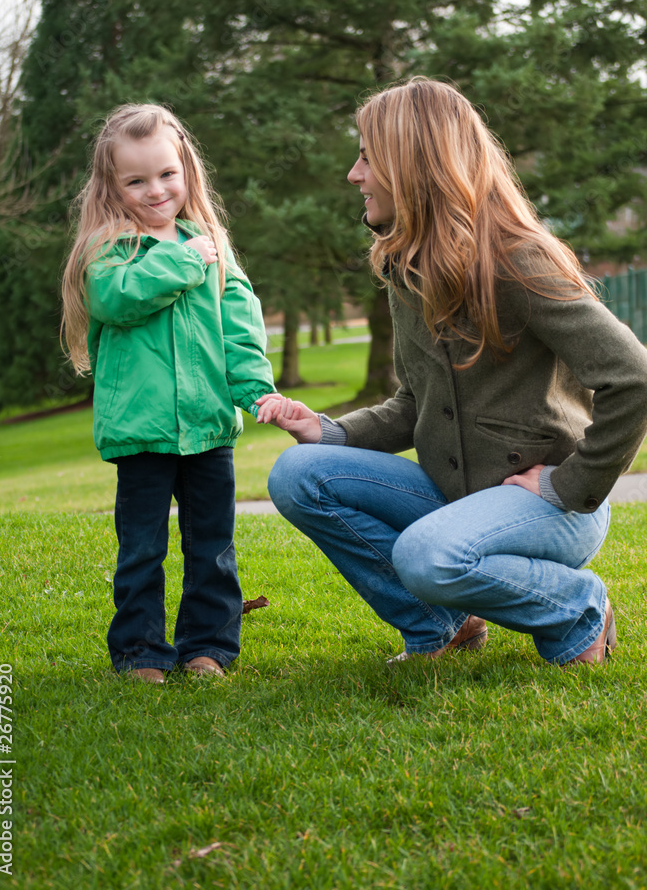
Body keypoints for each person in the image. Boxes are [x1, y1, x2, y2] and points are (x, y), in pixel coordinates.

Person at [258, 77, 647, 668]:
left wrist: (569, 485)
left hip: (555, 509)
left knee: (426, 556)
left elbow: (633, 377)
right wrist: (330, 432)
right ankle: (439, 627)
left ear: (411, 166)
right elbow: (416, 403)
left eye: (366, 156)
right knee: (297, 473)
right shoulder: (406, 266)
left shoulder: (520, 260)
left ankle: (577, 608)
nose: (353, 174)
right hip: (457, 499)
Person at [62, 104, 281, 684]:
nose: (155, 190)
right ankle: (140, 653)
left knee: (212, 546)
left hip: (208, 424)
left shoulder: (211, 242)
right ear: (111, 185)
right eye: (136, 180)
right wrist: (183, 261)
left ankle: (208, 647)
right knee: (142, 550)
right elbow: (116, 299)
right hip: (143, 431)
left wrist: (255, 388)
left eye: (166, 174)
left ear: (187, 170)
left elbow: (240, 324)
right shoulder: (110, 249)